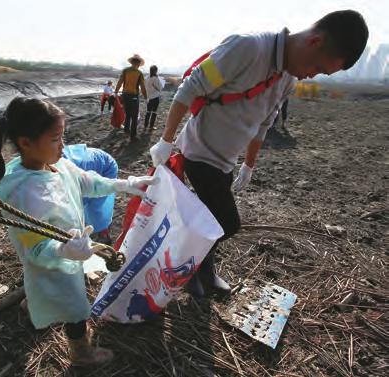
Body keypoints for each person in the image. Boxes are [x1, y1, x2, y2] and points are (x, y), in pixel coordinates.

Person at [149, 10, 368, 297]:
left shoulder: (288, 79)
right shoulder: (247, 47)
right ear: (314, 42)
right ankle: (187, 267)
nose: (312, 75)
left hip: (225, 160)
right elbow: (189, 89)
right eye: (317, 68)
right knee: (226, 223)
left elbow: (263, 126)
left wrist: (248, 166)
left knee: (211, 220)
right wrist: (166, 142)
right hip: (199, 151)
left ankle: (201, 270)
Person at [0, 97, 158, 365]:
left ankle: (33, 302)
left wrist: (124, 184)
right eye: (56, 139)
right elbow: (37, 249)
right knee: (76, 307)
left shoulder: (56, 164)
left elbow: (87, 181)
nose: (63, 145)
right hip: (55, 261)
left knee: (41, 286)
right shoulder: (27, 195)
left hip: (69, 250)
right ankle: (82, 353)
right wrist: (64, 250)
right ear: (26, 143)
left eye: (62, 137)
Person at [63, 144, 118, 245]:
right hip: (89, 167)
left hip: (104, 168)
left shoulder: (63, 168)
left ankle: (103, 233)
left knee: (95, 208)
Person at [114, 54, 147, 141]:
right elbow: (142, 87)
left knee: (128, 114)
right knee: (134, 116)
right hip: (133, 97)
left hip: (125, 96)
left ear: (132, 62)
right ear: (139, 63)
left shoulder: (125, 70)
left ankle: (126, 131)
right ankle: (133, 136)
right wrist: (146, 97)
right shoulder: (139, 73)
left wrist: (116, 91)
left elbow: (120, 82)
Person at [144, 65, 164, 130]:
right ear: (156, 71)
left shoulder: (146, 78)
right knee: (154, 112)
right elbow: (160, 88)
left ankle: (145, 126)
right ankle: (151, 127)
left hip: (149, 97)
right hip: (155, 97)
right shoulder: (156, 78)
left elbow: (145, 87)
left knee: (148, 112)